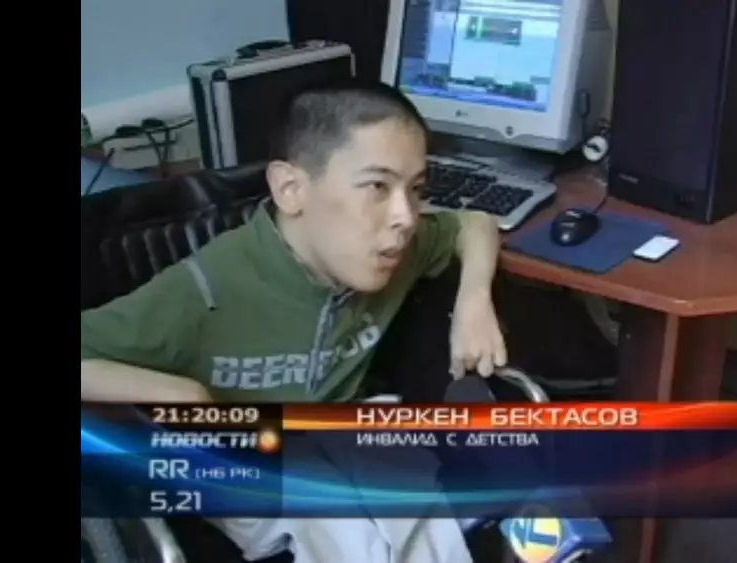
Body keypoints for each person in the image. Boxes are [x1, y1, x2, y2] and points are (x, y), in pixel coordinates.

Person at [80, 80, 507, 563]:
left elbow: (474, 224)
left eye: (416, 190)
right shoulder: (203, 291)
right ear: (291, 189)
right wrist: (180, 395)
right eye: (377, 187)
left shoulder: (390, 249)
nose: (405, 217)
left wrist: (473, 299)